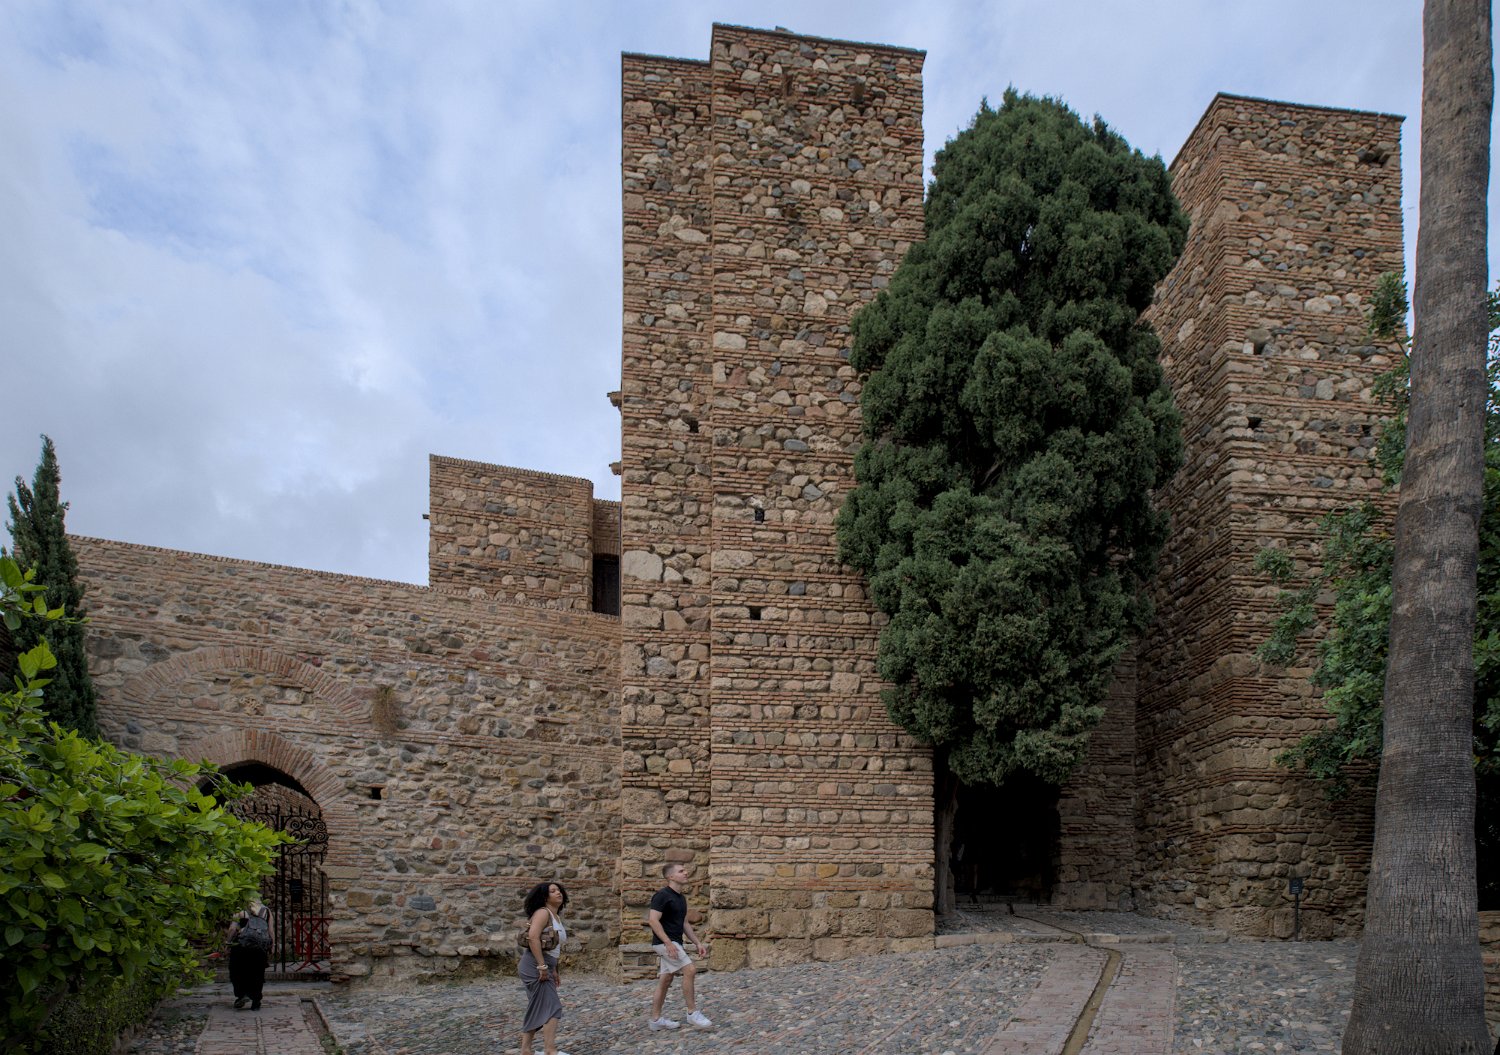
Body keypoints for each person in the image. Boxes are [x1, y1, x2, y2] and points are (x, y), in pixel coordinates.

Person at [646, 862, 712, 1031]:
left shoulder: (681, 898)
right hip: (665, 943)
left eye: (685, 870)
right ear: (671, 876)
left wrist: (697, 943)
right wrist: (668, 943)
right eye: (681, 871)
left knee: (666, 979)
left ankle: (655, 1019)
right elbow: (653, 920)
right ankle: (692, 1013)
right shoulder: (662, 895)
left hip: (674, 943)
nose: (686, 873)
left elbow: (684, 923)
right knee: (690, 970)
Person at [519, 881, 570, 1055]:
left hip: (545, 964)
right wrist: (542, 966)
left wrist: (554, 969)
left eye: (559, 890)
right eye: (553, 891)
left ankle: (526, 1050)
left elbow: (552, 946)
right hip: (534, 964)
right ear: (545, 897)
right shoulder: (543, 912)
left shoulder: (556, 916)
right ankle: (550, 1050)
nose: (558, 893)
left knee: (538, 1006)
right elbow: (533, 938)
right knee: (552, 1006)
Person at [226, 901, 272, 1011]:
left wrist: (228, 943)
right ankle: (256, 1001)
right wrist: (271, 945)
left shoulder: (240, 910)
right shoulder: (266, 911)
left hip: (241, 945)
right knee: (258, 973)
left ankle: (242, 995)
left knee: (237, 970)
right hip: (260, 946)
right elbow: (270, 930)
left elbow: (232, 929)